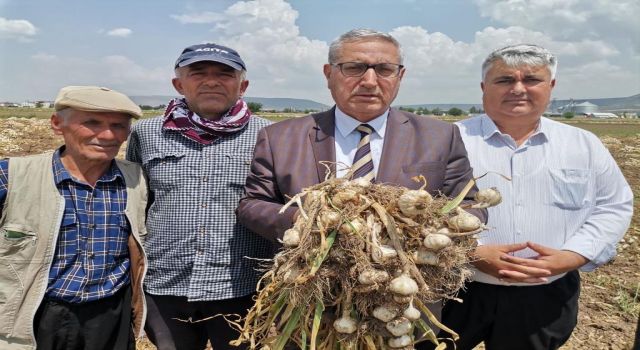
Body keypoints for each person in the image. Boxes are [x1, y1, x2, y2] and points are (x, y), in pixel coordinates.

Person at [236, 28, 486, 324]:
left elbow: (470, 205)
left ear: (400, 76)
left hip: (403, 310)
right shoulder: (280, 136)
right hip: (309, 304)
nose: (369, 81)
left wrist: (417, 229)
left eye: (384, 69)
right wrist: (312, 222)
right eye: (353, 68)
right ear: (329, 74)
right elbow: (253, 204)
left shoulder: (439, 136)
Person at [437, 44, 634, 350]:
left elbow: (613, 206)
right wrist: (470, 253)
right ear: (483, 87)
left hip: (546, 294)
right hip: (456, 286)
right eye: (504, 80)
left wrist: (574, 255)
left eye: (531, 79)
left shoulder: (583, 144)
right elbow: (423, 211)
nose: (518, 89)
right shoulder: (447, 140)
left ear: (550, 86)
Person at [126, 43, 273, 350]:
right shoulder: (147, 133)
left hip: (241, 285)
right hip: (166, 282)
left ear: (242, 86)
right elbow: (139, 201)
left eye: (224, 74)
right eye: (198, 73)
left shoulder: (270, 136)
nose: (211, 81)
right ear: (179, 84)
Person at [0, 86, 148, 350]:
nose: (107, 135)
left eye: (118, 126)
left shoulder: (137, 180)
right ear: (58, 124)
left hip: (111, 316)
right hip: (34, 314)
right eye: (92, 123)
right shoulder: (12, 176)